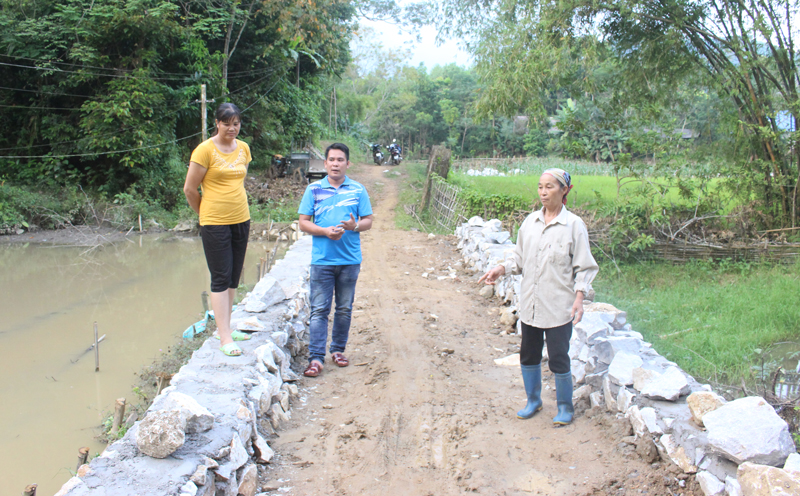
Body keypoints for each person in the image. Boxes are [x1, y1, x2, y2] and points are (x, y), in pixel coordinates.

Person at [479, 168, 598, 425]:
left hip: (558, 305)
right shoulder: (530, 223)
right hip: (531, 303)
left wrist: (579, 298)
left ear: (565, 190)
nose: (543, 192)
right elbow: (518, 258)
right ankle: (533, 400)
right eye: (540, 186)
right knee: (529, 354)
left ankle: (565, 407)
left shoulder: (574, 226)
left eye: (550, 187)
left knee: (558, 357)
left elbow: (584, 266)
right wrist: (501, 268)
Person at [298, 143, 373, 377]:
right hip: (322, 260)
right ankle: (316, 358)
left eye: (340, 160)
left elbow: (368, 220)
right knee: (319, 309)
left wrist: (355, 226)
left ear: (347, 164)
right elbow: (303, 222)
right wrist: (324, 231)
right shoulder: (313, 190)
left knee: (343, 308)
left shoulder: (358, 190)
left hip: (350, 259)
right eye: (331, 160)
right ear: (325, 163)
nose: (336, 164)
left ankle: (338, 350)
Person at [183, 103, 252, 357]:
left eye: (236, 123)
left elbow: (239, 181)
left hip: (241, 219)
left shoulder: (244, 148)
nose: (232, 128)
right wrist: (205, 214)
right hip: (214, 223)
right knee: (220, 277)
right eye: (227, 123)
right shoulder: (204, 151)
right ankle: (223, 337)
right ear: (217, 123)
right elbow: (190, 189)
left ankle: (228, 326)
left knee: (234, 276)